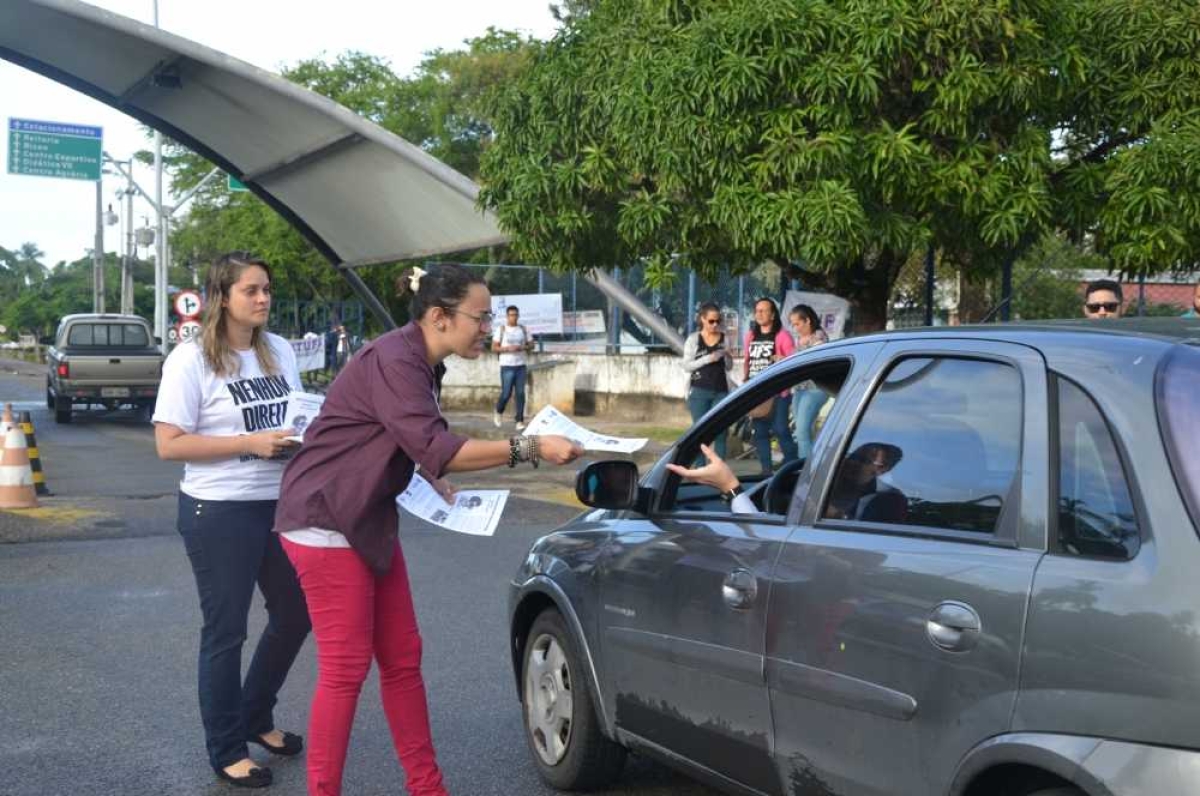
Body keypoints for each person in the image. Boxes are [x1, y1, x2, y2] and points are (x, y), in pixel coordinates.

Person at [273, 263, 584, 796]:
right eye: (480, 317)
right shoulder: (396, 359)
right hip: (327, 522)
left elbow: (410, 437)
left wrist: (423, 468)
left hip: (366, 519)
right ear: (440, 317)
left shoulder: (420, 359)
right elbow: (441, 449)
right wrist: (530, 447)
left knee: (402, 657)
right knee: (346, 671)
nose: (487, 327)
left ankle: (427, 786)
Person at [153, 252, 311, 789]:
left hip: (279, 504)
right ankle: (225, 748)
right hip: (217, 510)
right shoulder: (190, 359)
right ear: (222, 296)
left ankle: (254, 716)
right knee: (226, 632)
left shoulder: (280, 352)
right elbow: (168, 443)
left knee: (295, 613)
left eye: (267, 289)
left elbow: (292, 416)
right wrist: (250, 444)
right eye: (252, 290)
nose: (264, 299)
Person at [744, 297, 799, 475]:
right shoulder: (751, 335)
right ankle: (766, 471)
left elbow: (794, 360)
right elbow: (747, 360)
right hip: (756, 391)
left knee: (781, 430)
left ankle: (793, 467)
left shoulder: (782, 335)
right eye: (757, 310)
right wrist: (745, 381)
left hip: (778, 391)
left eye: (764, 310)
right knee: (760, 432)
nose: (759, 314)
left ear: (773, 314)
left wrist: (782, 359)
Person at [681, 302, 732, 457]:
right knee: (700, 433)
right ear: (702, 319)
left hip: (721, 390)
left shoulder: (724, 338)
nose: (715, 325)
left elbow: (728, 367)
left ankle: (720, 468)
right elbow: (686, 365)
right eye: (711, 321)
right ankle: (700, 468)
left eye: (718, 321)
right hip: (699, 390)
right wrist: (708, 359)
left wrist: (728, 357)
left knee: (721, 431)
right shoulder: (694, 339)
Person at [787, 304, 829, 460]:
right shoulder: (800, 339)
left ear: (808, 321)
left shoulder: (819, 337)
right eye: (793, 324)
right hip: (799, 389)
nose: (795, 328)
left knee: (802, 431)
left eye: (797, 323)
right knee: (803, 431)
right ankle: (812, 463)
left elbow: (811, 361)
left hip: (815, 389)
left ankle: (805, 470)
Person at [824, 443, 906, 522]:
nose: (852, 462)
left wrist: (838, 515)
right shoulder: (824, 482)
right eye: (853, 456)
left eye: (863, 460)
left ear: (881, 470)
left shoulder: (890, 500)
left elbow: (880, 533)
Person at [491, 305, 534, 431]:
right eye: (511, 315)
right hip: (507, 365)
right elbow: (493, 348)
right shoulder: (501, 329)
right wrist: (507, 349)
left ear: (518, 316)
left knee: (520, 393)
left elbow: (531, 344)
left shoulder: (523, 329)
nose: (513, 317)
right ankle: (498, 411)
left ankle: (519, 420)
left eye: (515, 315)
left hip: (520, 365)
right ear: (507, 316)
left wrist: (522, 347)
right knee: (506, 393)